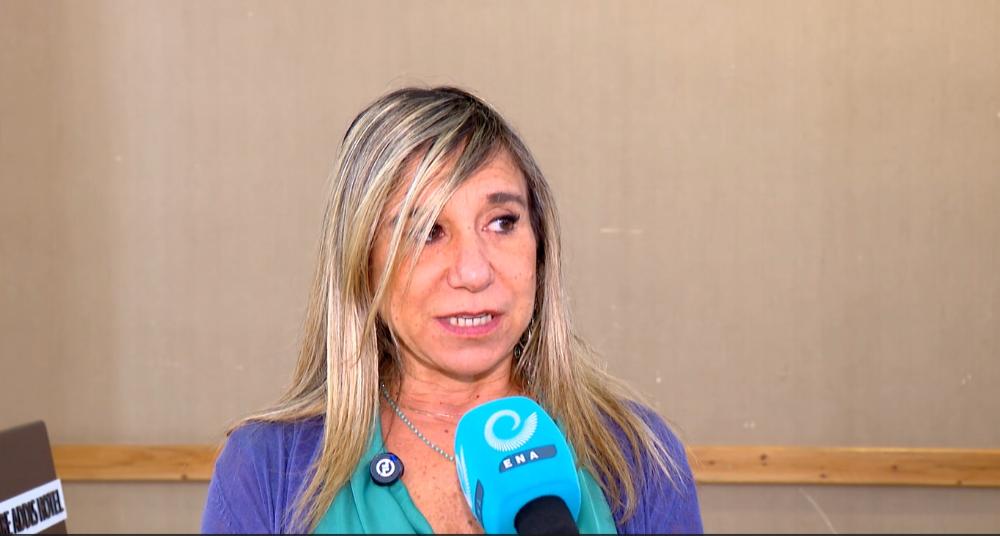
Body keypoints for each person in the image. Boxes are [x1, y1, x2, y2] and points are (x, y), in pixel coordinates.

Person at [201, 86, 703, 534]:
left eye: (502, 222)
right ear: (361, 263)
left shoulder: (636, 455)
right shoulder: (268, 468)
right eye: (426, 232)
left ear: (540, 245)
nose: (473, 271)